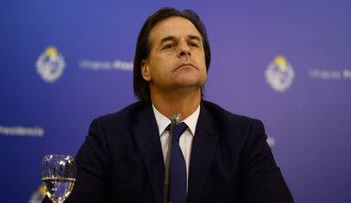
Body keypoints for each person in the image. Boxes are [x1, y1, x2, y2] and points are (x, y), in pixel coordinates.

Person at [44, 7, 293, 203]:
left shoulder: (243, 137)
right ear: (146, 69)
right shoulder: (110, 135)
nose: (185, 50)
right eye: (170, 45)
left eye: (193, 43)